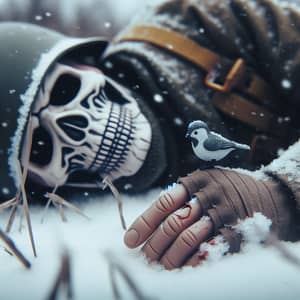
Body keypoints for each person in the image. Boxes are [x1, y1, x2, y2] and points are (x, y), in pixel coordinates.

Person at [0, 0, 299, 269]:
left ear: (85, 64)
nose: (73, 131)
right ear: (40, 188)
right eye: (39, 148)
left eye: (64, 90)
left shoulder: (207, 23)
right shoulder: (92, 219)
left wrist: (281, 194)